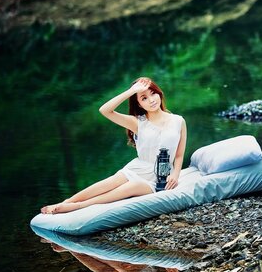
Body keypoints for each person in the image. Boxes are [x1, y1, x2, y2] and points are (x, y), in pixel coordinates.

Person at [40, 77, 187, 214]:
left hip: (161, 177)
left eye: (153, 93)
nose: (151, 100)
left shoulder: (178, 121)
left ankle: (77, 206)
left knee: (132, 186)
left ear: (159, 93)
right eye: (143, 98)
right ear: (139, 104)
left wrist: (175, 174)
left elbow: (179, 155)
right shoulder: (138, 122)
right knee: (108, 183)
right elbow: (105, 110)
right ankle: (67, 201)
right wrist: (131, 91)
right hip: (138, 167)